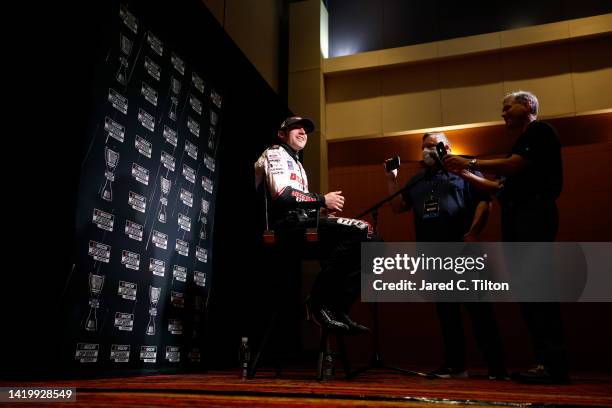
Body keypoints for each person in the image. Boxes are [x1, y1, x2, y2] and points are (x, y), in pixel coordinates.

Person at [443, 90, 569, 384]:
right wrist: (463, 172)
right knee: (528, 292)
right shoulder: (521, 143)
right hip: (519, 219)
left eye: (506, 107)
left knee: (537, 290)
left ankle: (553, 364)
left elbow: (512, 165)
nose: (502, 113)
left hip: (533, 217)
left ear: (527, 105)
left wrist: (470, 161)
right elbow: (496, 187)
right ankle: (545, 362)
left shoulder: (540, 131)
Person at [384, 132, 507, 380]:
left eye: (432, 146)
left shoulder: (462, 173)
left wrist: (474, 232)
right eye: (424, 147)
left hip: (464, 252)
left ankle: (497, 368)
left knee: (479, 311)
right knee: (447, 313)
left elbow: (486, 201)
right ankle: (456, 366)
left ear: (446, 148)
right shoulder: (417, 180)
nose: (427, 151)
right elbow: (397, 207)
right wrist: (391, 179)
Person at [255, 116, 373, 334]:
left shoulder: (298, 164)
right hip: (281, 231)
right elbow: (282, 196)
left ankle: (337, 307)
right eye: (295, 128)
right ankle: (318, 303)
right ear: (281, 134)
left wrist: (320, 211)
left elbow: (299, 205)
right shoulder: (275, 153)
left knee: (374, 242)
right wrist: (321, 200)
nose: (302, 132)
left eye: (305, 130)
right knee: (361, 231)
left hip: (300, 225)